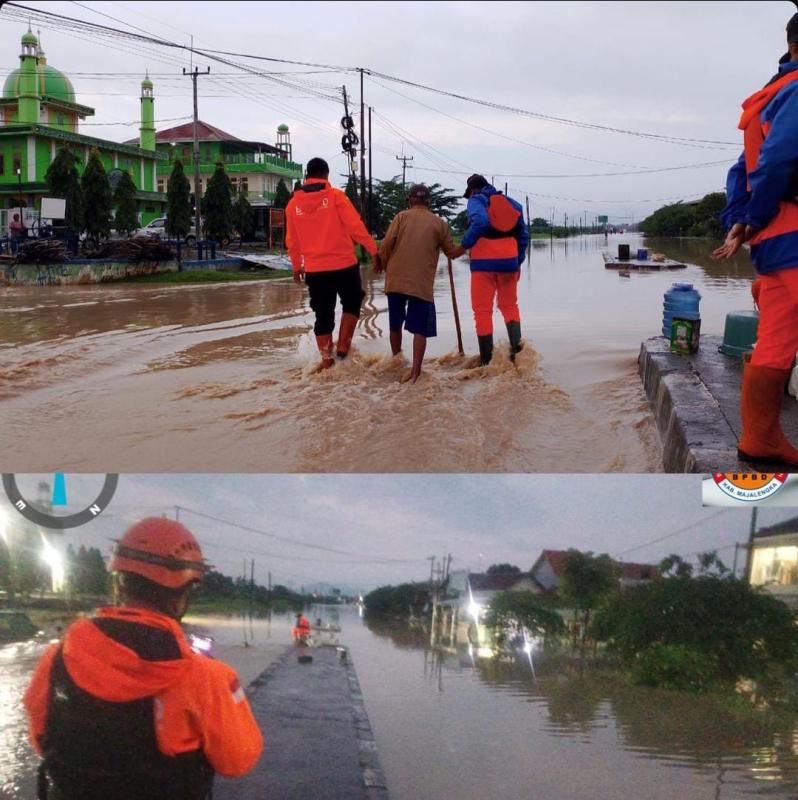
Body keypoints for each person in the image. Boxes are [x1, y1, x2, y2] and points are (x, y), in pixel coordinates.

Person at [24, 518, 263, 800]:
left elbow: (42, 740)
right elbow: (238, 761)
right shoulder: (208, 676)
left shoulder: (55, 660)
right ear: (182, 594)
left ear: (120, 582)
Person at [713, 10, 798, 466]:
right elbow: (782, 158)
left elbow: (740, 173)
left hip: (774, 245)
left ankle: (760, 439)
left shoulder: (765, 101)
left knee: (776, 342)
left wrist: (745, 221)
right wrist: (753, 216)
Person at [286, 157, 379, 370]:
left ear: (306, 176)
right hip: (344, 265)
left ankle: (327, 362)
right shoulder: (336, 196)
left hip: (315, 270)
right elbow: (356, 227)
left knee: (323, 315)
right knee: (353, 302)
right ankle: (343, 348)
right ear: (326, 175)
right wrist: (374, 251)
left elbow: (292, 241)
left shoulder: (292, 205)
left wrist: (296, 265)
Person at [378, 183, 461, 382]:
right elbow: (451, 252)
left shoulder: (400, 217)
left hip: (396, 280)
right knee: (420, 329)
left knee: (395, 325)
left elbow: (386, 244)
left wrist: (383, 263)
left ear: (409, 201)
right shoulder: (439, 223)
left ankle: (396, 361)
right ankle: (415, 372)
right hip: (421, 284)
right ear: (429, 202)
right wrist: (467, 244)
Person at [459, 174, 529, 365]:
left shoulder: (476, 200)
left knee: (482, 311)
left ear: (472, 190)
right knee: (510, 306)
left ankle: (486, 361)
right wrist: (518, 262)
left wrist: (463, 244)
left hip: (483, 265)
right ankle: (517, 356)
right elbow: (523, 237)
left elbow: (480, 222)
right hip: (509, 264)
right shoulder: (512, 204)